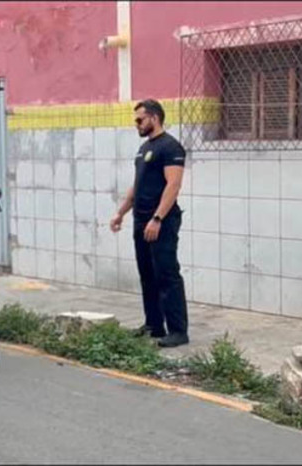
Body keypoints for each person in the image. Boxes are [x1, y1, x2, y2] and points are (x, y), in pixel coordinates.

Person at [110, 99, 189, 348]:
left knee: (167, 274)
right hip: (140, 220)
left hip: (161, 222)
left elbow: (173, 185)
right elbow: (138, 184)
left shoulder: (170, 147)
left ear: (154, 118)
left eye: (139, 119)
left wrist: (158, 218)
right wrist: (121, 212)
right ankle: (154, 325)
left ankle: (178, 331)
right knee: (147, 274)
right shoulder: (143, 149)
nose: (137, 124)